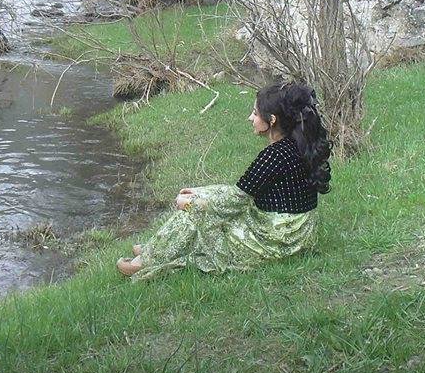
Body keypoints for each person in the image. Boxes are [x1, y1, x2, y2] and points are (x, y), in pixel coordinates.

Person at [116, 80, 333, 280]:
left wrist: (191, 203)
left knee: (195, 214)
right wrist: (200, 192)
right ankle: (158, 245)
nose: (250, 118)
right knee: (200, 202)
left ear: (272, 120)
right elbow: (244, 190)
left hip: (274, 240)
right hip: (298, 234)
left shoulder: (273, 155)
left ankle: (147, 260)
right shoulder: (298, 145)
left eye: (255, 113)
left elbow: (234, 201)